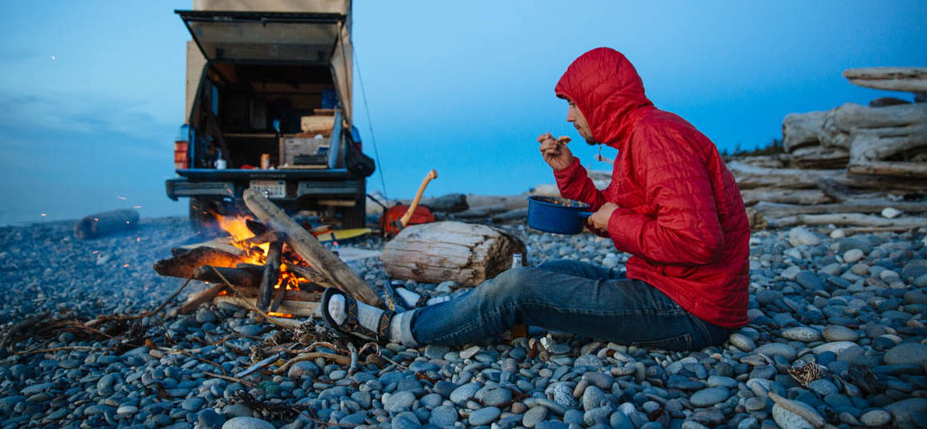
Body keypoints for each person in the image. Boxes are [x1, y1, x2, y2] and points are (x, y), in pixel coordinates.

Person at [321, 47, 750, 351]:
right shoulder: (641, 137)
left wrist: (616, 220)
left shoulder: (655, 138)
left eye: (574, 104)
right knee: (551, 270)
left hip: (692, 310)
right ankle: (447, 312)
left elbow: (698, 241)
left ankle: (397, 329)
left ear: (600, 101)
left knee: (522, 287)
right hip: (662, 283)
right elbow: (602, 211)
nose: (569, 116)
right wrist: (567, 169)